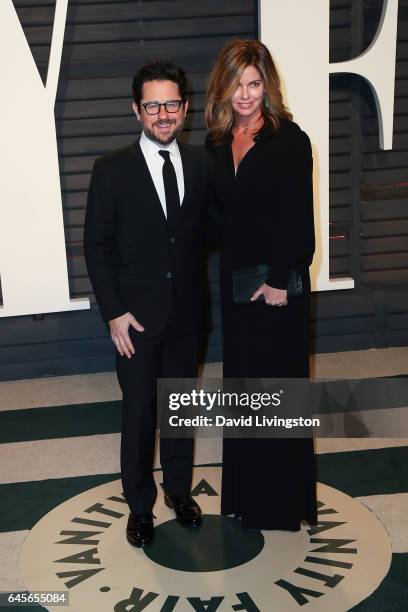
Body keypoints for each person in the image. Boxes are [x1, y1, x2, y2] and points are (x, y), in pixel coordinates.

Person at [84, 60, 209, 547]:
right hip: (134, 321)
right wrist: (114, 312)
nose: (163, 114)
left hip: (187, 316)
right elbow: (97, 247)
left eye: (171, 103)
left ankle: (180, 491)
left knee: (180, 411)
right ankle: (140, 507)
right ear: (136, 110)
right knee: (138, 416)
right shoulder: (110, 170)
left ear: (185, 107)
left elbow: (212, 232)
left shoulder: (202, 164)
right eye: (153, 105)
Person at [205, 40, 318, 530]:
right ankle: (247, 497)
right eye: (237, 84)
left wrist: (277, 280)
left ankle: (281, 505)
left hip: (275, 290)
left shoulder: (290, 140)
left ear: (267, 86)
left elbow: (298, 219)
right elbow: (216, 219)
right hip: (236, 288)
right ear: (223, 87)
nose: (246, 95)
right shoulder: (217, 141)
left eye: (255, 84)